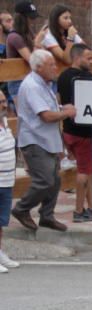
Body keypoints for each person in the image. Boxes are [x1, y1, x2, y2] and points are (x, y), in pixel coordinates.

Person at [10, 50, 73, 233]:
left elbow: (48, 108)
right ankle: (21, 209)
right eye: (51, 64)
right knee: (44, 180)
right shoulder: (32, 86)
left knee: (55, 180)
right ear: (38, 67)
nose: (55, 67)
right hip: (35, 139)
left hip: (47, 139)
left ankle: (47, 215)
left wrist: (61, 108)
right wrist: (66, 113)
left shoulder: (44, 84)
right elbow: (45, 115)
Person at [57, 43, 92, 222]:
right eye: (88, 58)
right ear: (77, 58)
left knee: (88, 169)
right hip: (83, 134)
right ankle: (78, 211)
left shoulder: (62, 77)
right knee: (84, 172)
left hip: (68, 131)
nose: (91, 61)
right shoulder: (87, 78)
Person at [5, 1, 40, 104]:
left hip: (30, 78)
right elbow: (32, 59)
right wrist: (38, 41)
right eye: (31, 18)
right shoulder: (14, 36)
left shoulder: (28, 33)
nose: (33, 21)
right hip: (18, 81)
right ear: (22, 19)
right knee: (25, 117)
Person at [0, 95, 18, 274]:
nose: (4, 105)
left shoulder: (5, 122)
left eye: (5, 101)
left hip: (6, 181)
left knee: (1, 222)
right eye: (0, 102)